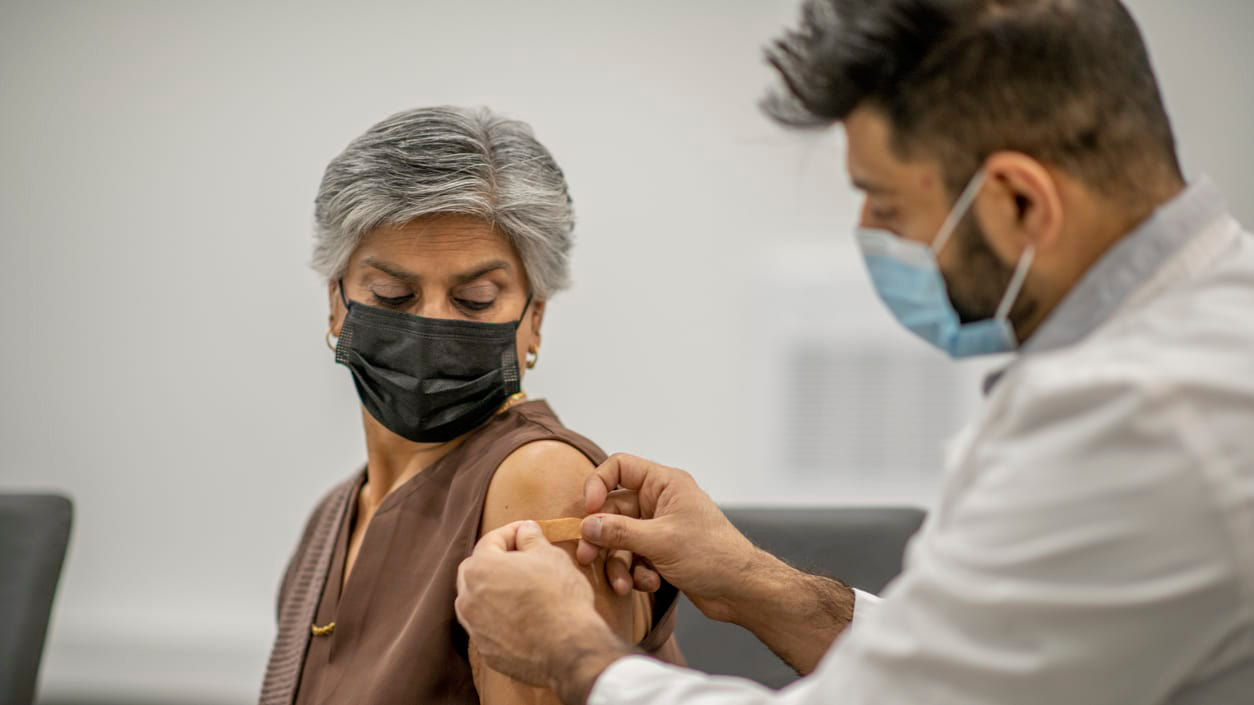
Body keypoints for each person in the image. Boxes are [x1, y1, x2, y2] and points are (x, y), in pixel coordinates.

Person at [453, 1, 1254, 704]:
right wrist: (755, 583)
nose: (869, 232)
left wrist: (573, 652)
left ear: (1019, 201)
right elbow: (977, 671)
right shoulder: (1206, 333)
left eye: (891, 202)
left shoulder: (1147, 416)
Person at [259, 106, 681, 705]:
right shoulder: (332, 516)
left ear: (534, 320)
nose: (432, 324)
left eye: (476, 299)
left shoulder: (538, 482)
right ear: (337, 303)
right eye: (393, 295)